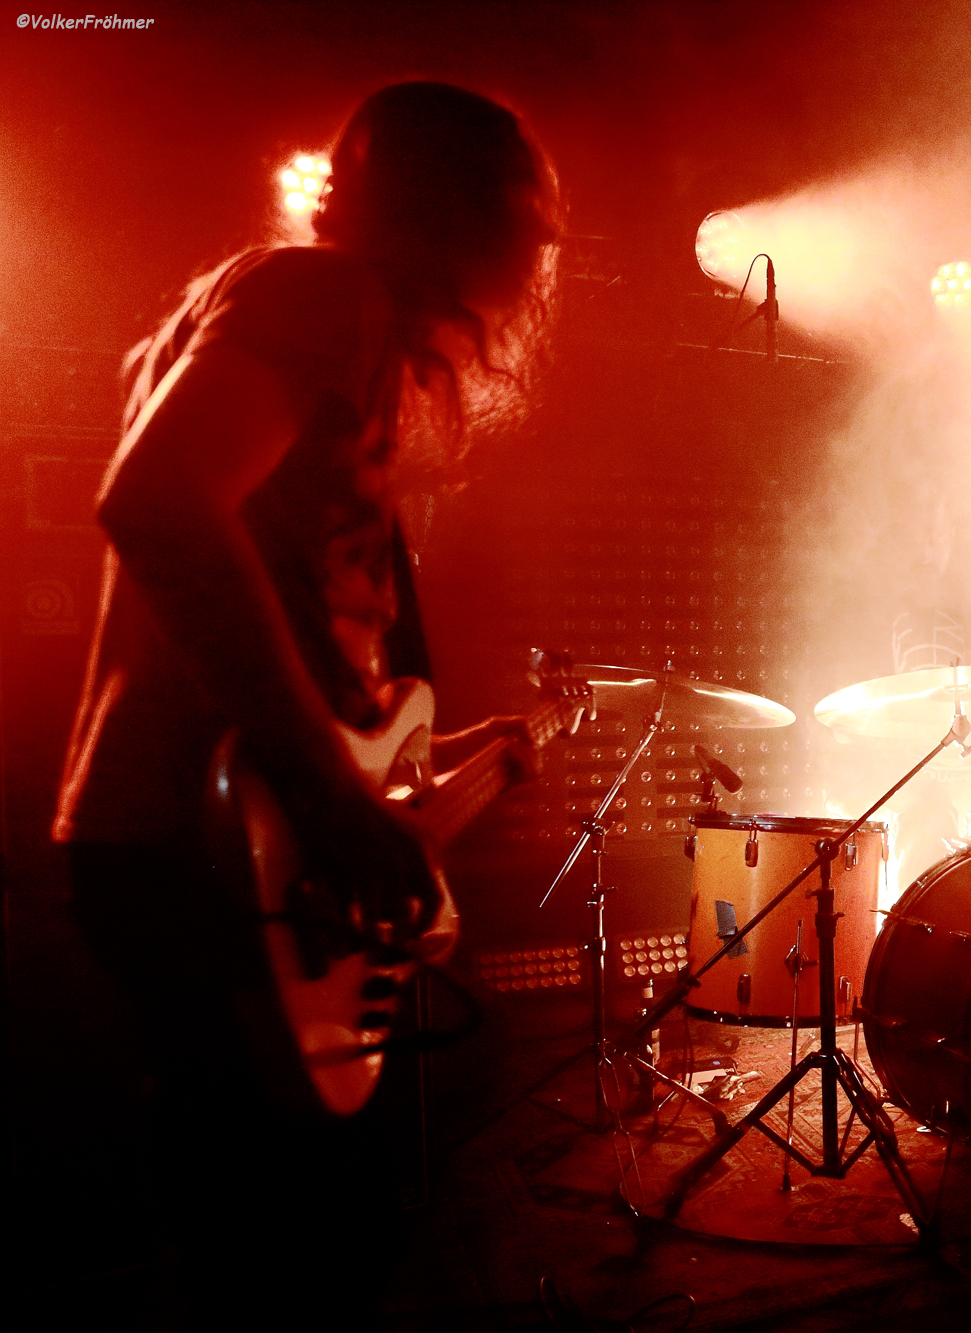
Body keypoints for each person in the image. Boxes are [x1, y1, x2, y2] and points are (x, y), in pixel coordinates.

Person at [53, 82, 561, 1327]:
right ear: (464, 211)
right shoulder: (322, 297)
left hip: (210, 832)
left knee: (271, 1235)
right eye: (531, 220)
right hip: (206, 841)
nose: (542, 258)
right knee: (296, 1253)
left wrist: (402, 758)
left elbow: (274, 601)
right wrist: (336, 798)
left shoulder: (309, 312)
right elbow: (158, 504)